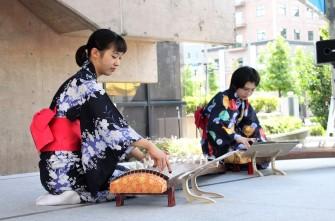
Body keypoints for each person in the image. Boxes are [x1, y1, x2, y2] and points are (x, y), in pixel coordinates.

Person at [31, 29, 171, 205]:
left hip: (53, 173)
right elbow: (111, 127)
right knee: (130, 182)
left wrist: (141, 156)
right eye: (114, 56)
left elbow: (103, 131)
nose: (118, 62)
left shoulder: (78, 81)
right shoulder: (87, 85)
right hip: (67, 174)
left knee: (126, 172)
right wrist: (149, 146)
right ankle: (77, 195)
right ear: (95, 53)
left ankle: (66, 193)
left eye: (120, 58)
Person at [198, 66, 267, 161]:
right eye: (245, 89)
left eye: (252, 90)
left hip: (233, 139)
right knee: (245, 155)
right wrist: (237, 137)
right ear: (235, 85)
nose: (248, 93)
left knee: (257, 151)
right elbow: (215, 125)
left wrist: (261, 142)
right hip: (217, 142)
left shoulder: (243, 102)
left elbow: (252, 123)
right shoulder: (222, 98)